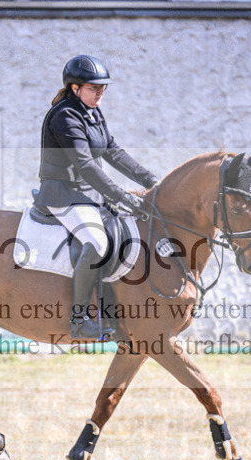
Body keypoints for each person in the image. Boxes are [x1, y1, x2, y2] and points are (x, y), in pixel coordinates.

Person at [35, 54, 159, 340]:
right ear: (75, 88)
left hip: (88, 195)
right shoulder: (65, 116)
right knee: (96, 240)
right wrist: (121, 196)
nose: (100, 92)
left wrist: (151, 180)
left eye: (103, 87)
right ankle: (79, 319)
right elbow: (85, 165)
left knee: (123, 234)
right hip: (63, 194)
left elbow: (113, 151)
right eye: (94, 87)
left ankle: (110, 311)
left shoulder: (92, 112)